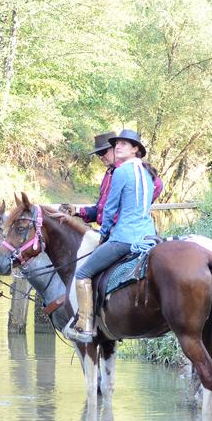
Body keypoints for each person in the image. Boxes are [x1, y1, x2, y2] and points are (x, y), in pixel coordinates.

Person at [64, 129, 156, 344]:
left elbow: (110, 209)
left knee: (83, 273)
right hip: (148, 236)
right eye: (117, 144)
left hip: (124, 238)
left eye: (124, 144)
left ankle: (85, 325)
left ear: (135, 149)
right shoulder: (147, 173)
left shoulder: (121, 172)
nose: (118, 146)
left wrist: (104, 234)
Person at [73, 131, 163, 226]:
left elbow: (158, 184)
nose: (101, 157)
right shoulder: (109, 173)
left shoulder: (134, 171)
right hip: (110, 231)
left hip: (126, 230)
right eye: (98, 154)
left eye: (103, 152)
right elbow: (101, 210)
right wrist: (77, 211)